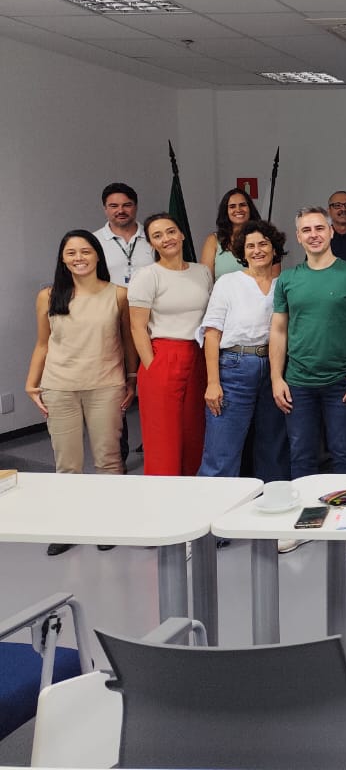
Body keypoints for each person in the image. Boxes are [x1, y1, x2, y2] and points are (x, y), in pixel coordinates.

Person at [25, 231, 136, 556]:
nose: (79, 258)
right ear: (62, 258)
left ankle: (109, 523)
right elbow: (43, 343)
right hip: (59, 386)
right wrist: (31, 383)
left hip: (106, 384)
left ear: (97, 255)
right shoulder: (49, 296)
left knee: (108, 458)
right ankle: (68, 525)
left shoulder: (118, 295)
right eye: (71, 252)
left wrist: (131, 378)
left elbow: (127, 342)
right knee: (67, 463)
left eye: (85, 251)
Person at [270, 207, 346, 479]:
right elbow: (279, 330)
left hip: (343, 382)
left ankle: (345, 515)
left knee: (343, 453)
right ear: (298, 237)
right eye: (306, 230)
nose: (313, 235)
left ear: (330, 232)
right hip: (298, 382)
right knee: (301, 455)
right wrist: (276, 378)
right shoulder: (288, 279)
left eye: (318, 228)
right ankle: (305, 516)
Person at [197, 220, 289, 482]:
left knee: (273, 450)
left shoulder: (283, 284)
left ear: (274, 248)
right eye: (250, 246)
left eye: (263, 244)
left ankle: (271, 511)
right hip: (235, 367)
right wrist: (213, 382)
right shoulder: (228, 283)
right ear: (242, 251)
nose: (257, 250)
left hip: (274, 367)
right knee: (222, 450)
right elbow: (212, 333)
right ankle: (212, 516)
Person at [128, 213, 213, 476]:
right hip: (163, 355)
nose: (167, 239)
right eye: (158, 235)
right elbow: (137, 327)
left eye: (171, 231)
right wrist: (151, 366)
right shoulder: (147, 276)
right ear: (151, 243)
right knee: (163, 438)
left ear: (182, 234)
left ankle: (194, 494)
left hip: (197, 355)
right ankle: (161, 501)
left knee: (194, 431)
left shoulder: (202, 272)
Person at [94, 182, 145, 464]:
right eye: (113, 206)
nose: (120, 210)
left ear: (135, 206)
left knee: (148, 380)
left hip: (150, 321)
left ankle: (153, 438)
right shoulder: (94, 242)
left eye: (126, 204)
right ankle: (119, 454)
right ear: (105, 209)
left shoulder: (153, 237)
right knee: (117, 386)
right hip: (112, 319)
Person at [200, 187, 269, 280]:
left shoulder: (265, 237)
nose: (238, 209)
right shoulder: (213, 240)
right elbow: (206, 282)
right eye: (232, 206)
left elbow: (273, 280)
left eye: (242, 205)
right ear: (225, 212)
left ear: (250, 208)